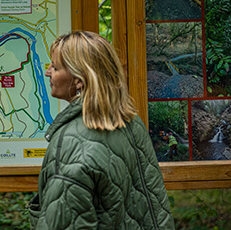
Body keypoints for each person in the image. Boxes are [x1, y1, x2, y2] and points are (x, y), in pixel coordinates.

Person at [29, 31, 174, 229]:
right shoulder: (129, 121)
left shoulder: (70, 144)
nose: (48, 72)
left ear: (79, 79)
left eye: (55, 67)